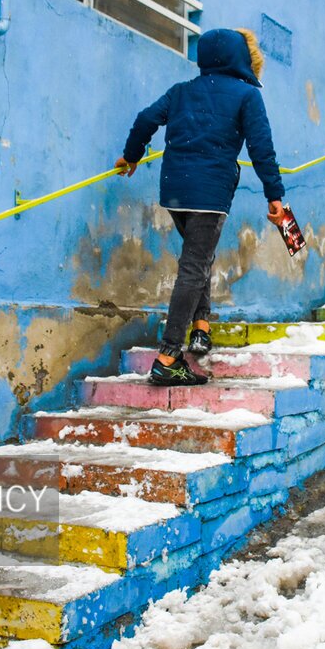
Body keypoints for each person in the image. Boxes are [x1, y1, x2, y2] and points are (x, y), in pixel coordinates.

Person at [116, 28, 286, 386]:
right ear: (242, 58)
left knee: (198, 256)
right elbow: (261, 148)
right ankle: (169, 356)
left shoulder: (181, 92)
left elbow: (146, 119)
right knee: (195, 265)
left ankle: (201, 328)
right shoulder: (246, 95)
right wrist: (275, 195)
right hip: (210, 191)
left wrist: (132, 155)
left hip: (175, 190)